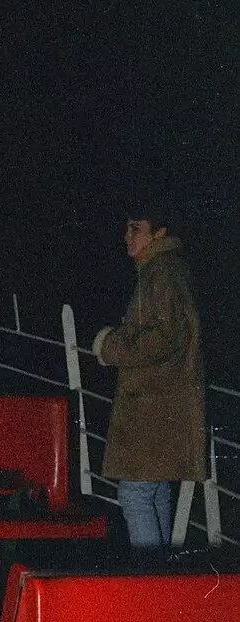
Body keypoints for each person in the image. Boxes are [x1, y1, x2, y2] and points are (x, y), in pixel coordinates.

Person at [92, 207, 206, 553]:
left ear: (158, 234)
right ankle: (161, 579)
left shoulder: (161, 272)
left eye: (136, 228)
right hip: (164, 405)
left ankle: (151, 580)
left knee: (135, 492)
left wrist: (108, 345)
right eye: (127, 228)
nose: (128, 236)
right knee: (154, 491)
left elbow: (162, 337)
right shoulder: (165, 269)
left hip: (154, 408)